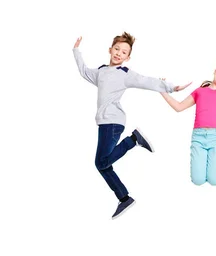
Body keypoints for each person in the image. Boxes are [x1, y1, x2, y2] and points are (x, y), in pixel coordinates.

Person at [73, 32, 190, 219]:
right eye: (117, 49)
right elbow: (84, 72)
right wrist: (76, 50)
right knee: (103, 164)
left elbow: (146, 81)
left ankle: (133, 140)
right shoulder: (101, 72)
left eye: (124, 52)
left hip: (113, 122)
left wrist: (170, 87)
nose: (119, 53)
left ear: (128, 57)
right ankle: (124, 198)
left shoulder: (124, 74)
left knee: (100, 162)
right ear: (110, 50)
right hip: (104, 123)